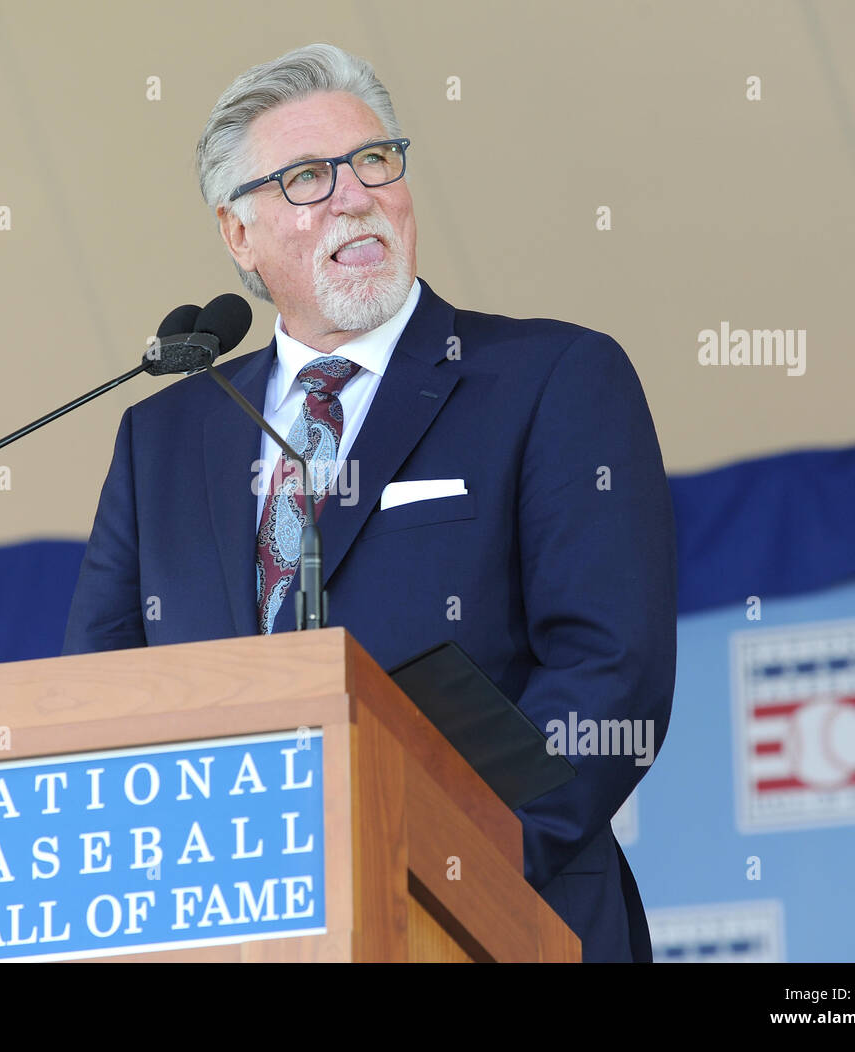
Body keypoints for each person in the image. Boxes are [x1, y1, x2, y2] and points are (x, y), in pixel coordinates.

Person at [63, 42, 677, 962]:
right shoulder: (165, 439)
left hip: (489, 922)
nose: (356, 195)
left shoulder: (551, 378)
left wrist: (436, 858)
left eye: (375, 161)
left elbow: (607, 671)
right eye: (308, 177)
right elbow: (96, 705)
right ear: (239, 234)